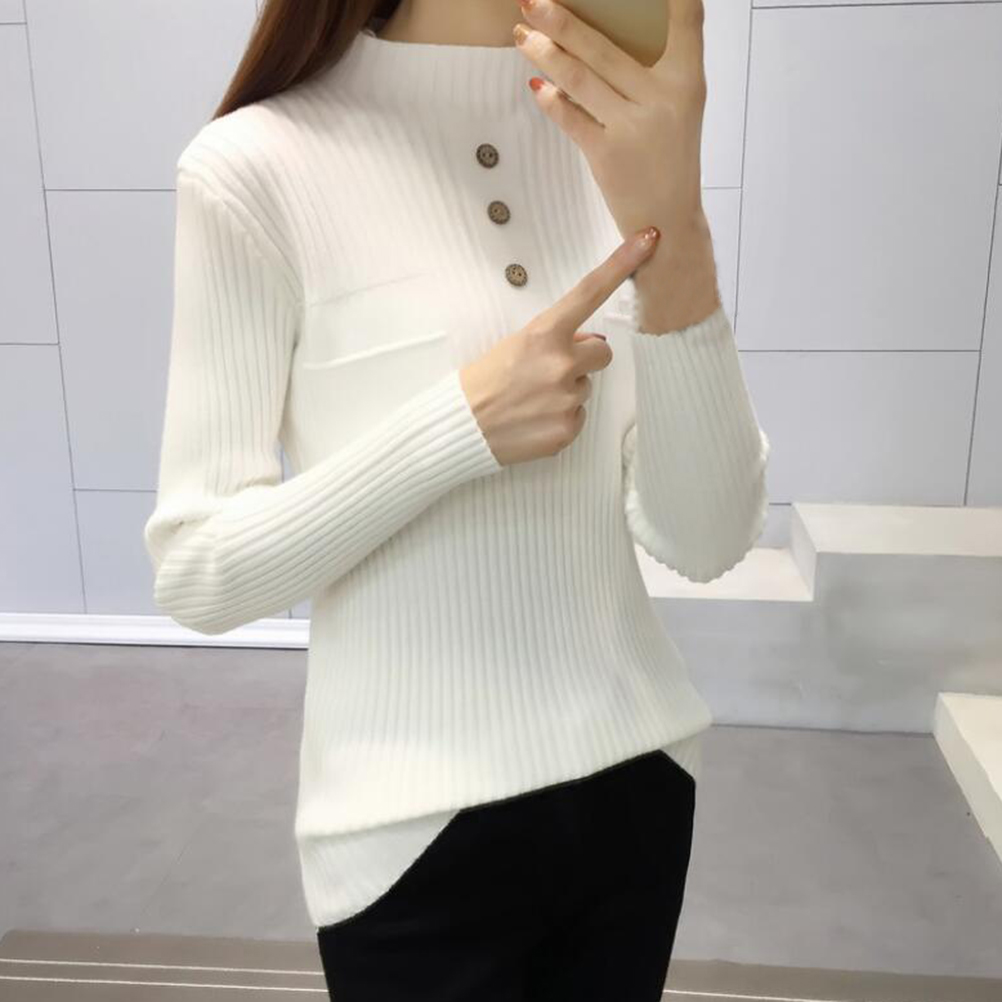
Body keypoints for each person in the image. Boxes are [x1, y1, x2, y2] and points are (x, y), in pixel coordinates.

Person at [143, 0, 770, 998]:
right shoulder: (254, 167)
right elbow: (197, 568)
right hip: (406, 839)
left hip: (637, 785)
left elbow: (708, 537)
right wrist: (457, 428)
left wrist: (678, 221)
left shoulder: (612, 140)